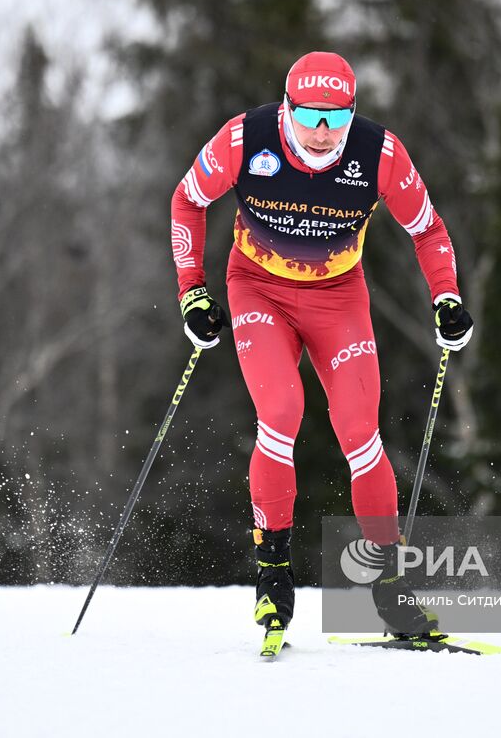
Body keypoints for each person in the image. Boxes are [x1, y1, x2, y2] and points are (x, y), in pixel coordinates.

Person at [169, 52, 473, 638]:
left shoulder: (380, 154)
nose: (321, 132)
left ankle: (388, 587)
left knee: (361, 431)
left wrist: (447, 297)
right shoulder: (244, 137)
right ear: (287, 108)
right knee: (281, 413)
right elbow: (188, 200)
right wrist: (192, 293)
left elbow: (428, 228)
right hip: (258, 289)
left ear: (352, 114)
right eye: (309, 116)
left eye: (336, 119)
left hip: (338, 296)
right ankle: (273, 573)